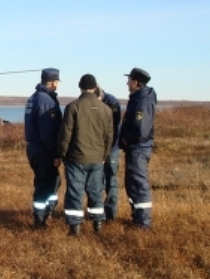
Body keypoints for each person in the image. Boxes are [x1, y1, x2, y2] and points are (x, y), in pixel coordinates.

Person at [57, 74, 113, 236]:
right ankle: (98, 223)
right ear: (95, 88)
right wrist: (104, 155)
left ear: (80, 87)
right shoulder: (106, 109)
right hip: (97, 158)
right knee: (96, 190)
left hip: (76, 157)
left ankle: (75, 228)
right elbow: (109, 136)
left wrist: (62, 154)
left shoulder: (73, 107)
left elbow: (65, 134)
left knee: (75, 191)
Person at [24, 68, 63, 229]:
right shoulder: (46, 100)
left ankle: (48, 211)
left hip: (34, 148)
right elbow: (48, 131)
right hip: (43, 150)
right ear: (54, 82)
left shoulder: (33, 98)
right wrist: (55, 153)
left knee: (53, 181)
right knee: (44, 184)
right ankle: (40, 219)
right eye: (58, 82)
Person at [119, 67, 157, 229]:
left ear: (136, 82)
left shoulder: (142, 101)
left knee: (138, 184)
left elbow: (140, 130)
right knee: (132, 183)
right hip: (136, 148)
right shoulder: (138, 98)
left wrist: (126, 140)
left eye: (129, 79)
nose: (127, 82)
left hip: (138, 149)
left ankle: (143, 223)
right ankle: (137, 217)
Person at [95, 86, 122, 221]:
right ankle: (99, 213)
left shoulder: (112, 103)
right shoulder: (94, 102)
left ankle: (110, 213)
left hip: (112, 149)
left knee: (110, 180)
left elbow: (115, 129)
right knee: (97, 181)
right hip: (98, 149)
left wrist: (108, 149)